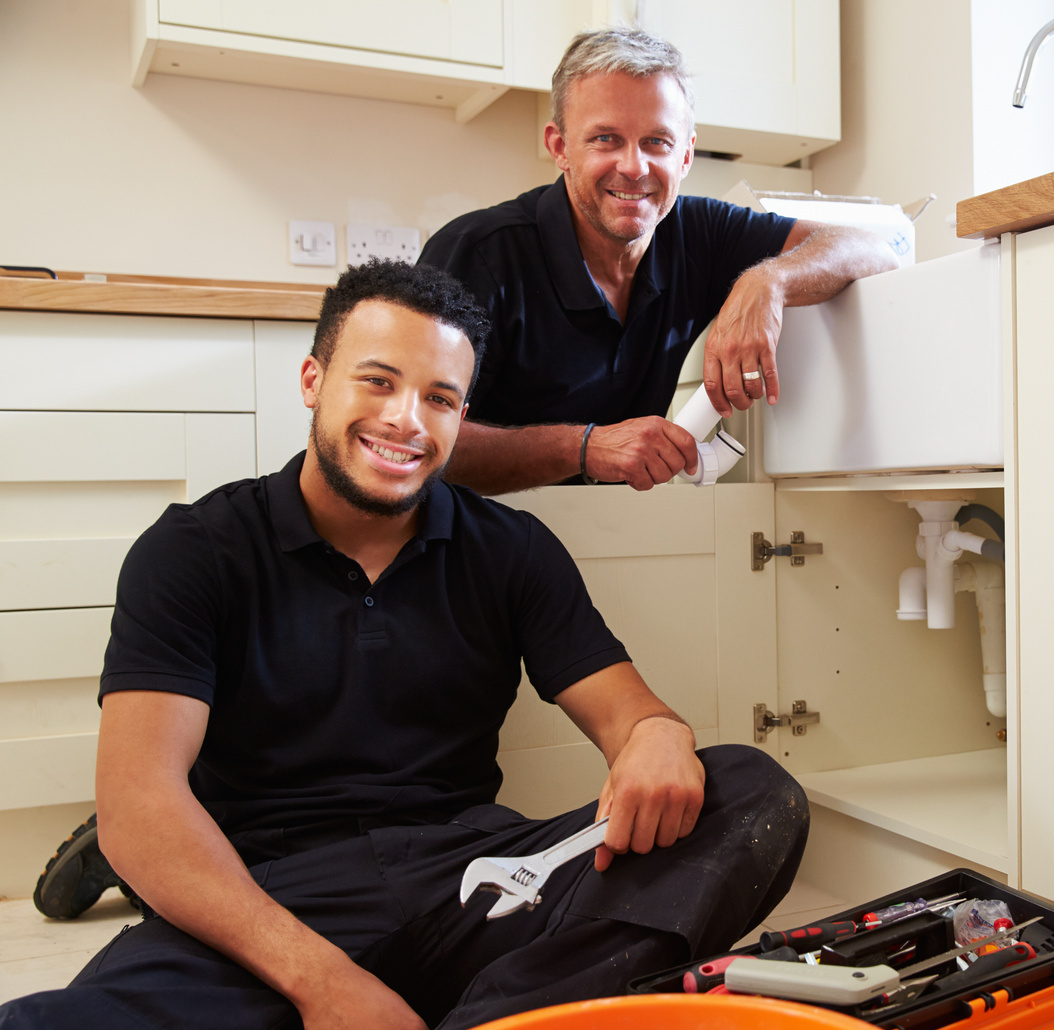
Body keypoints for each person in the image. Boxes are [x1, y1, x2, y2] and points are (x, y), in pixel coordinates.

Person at [1, 259, 808, 1030]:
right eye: (378, 382)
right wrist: (325, 983)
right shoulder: (194, 550)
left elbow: (628, 715)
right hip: (268, 898)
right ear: (314, 380)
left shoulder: (511, 550)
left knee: (747, 789)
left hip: (474, 878)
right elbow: (142, 811)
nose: (406, 421)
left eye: (440, 399)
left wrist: (656, 736)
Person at [417, 28, 900, 495]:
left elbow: (874, 249)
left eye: (657, 142)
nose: (635, 166)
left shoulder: (701, 231)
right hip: (467, 544)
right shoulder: (478, 252)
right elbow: (415, 437)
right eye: (606, 138)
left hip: (609, 531)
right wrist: (583, 447)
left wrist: (768, 280)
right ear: (560, 148)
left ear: (686, 156)